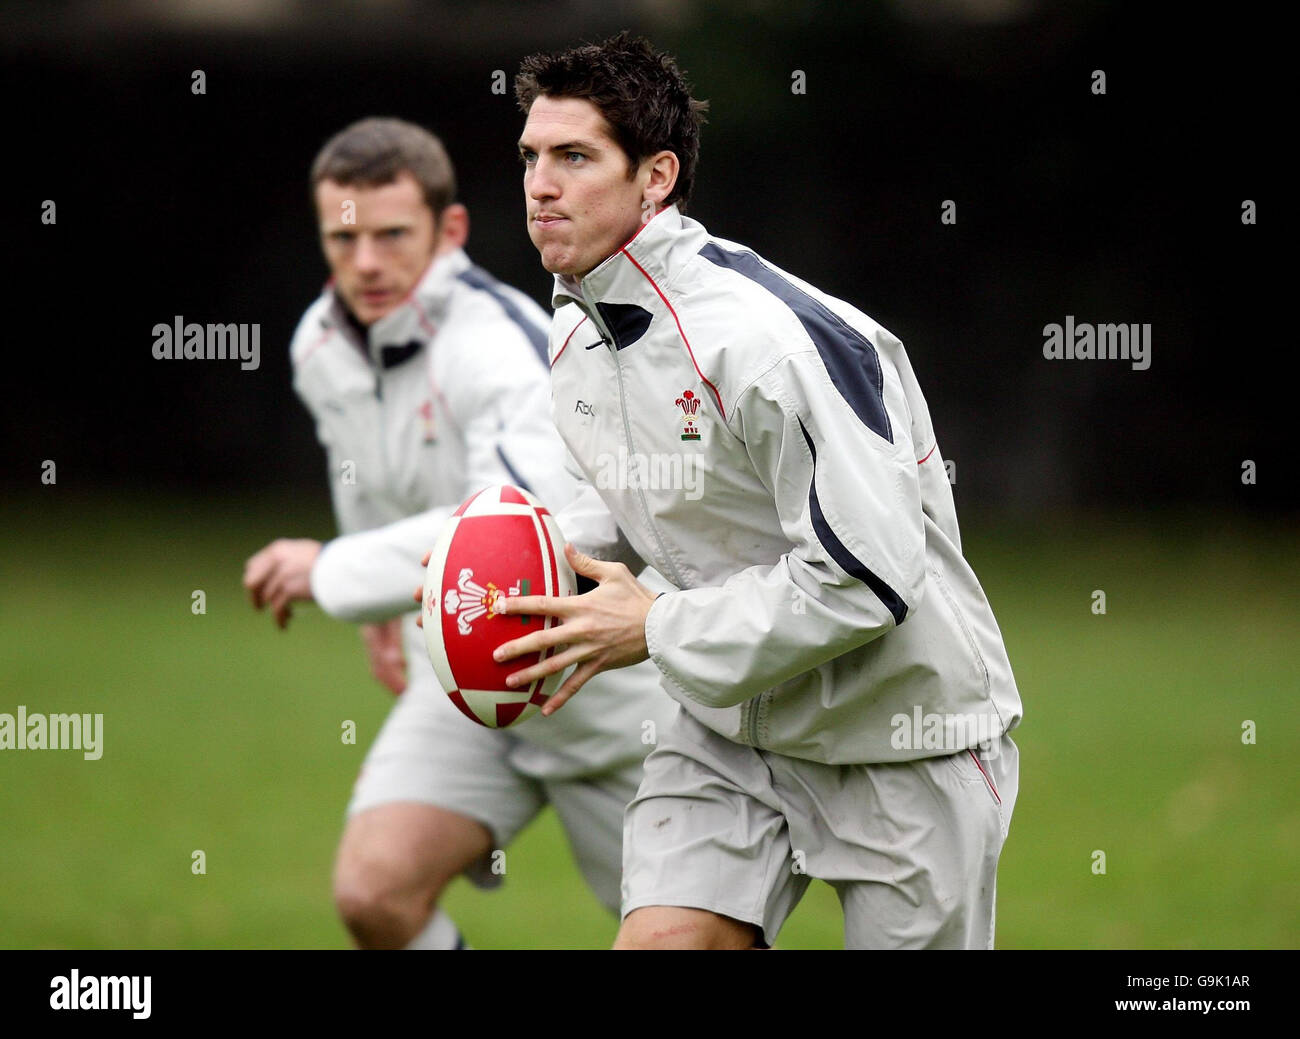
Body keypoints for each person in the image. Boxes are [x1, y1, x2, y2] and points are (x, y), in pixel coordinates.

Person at [491, 34, 1024, 949]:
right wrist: (512, 577)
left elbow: (867, 578)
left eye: (575, 157)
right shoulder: (579, 330)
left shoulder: (768, 343)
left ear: (655, 177)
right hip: (729, 732)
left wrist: (653, 626)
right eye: (533, 157)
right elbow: (619, 510)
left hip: (904, 736)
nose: (542, 184)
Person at [242, 117, 676, 950]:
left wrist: (333, 571)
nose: (366, 262)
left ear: (450, 231)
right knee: (375, 894)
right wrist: (380, 608)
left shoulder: (503, 344)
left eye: (393, 235)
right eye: (345, 236)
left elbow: (516, 537)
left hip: (601, 692)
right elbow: (362, 479)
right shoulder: (319, 344)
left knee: (677, 942)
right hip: (465, 686)